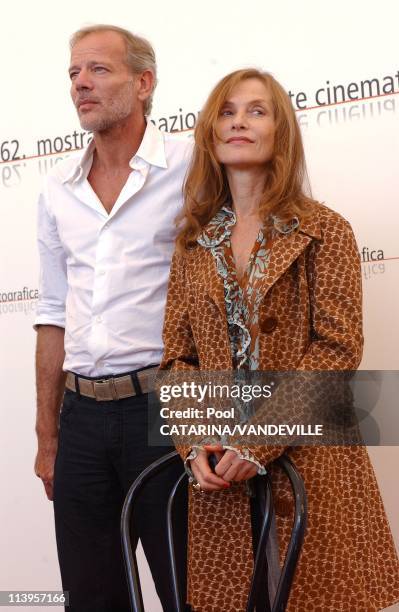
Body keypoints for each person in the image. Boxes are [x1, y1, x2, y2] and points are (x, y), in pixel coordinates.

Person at [160, 68, 399, 611]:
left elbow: (338, 350)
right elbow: (177, 358)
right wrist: (197, 441)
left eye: (256, 110)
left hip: (313, 464)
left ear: (280, 132)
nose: (238, 121)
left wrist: (258, 439)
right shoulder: (193, 242)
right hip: (221, 483)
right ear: (210, 132)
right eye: (226, 111)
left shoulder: (325, 228)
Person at [34, 24, 191, 612]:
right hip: (79, 422)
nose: (80, 83)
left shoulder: (192, 166)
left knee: (189, 589)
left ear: (144, 82)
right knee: (92, 596)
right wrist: (47, 436)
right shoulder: (55, 190)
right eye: (74, 73)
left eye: (98, 69)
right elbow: (52, 314)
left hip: (165, 411)